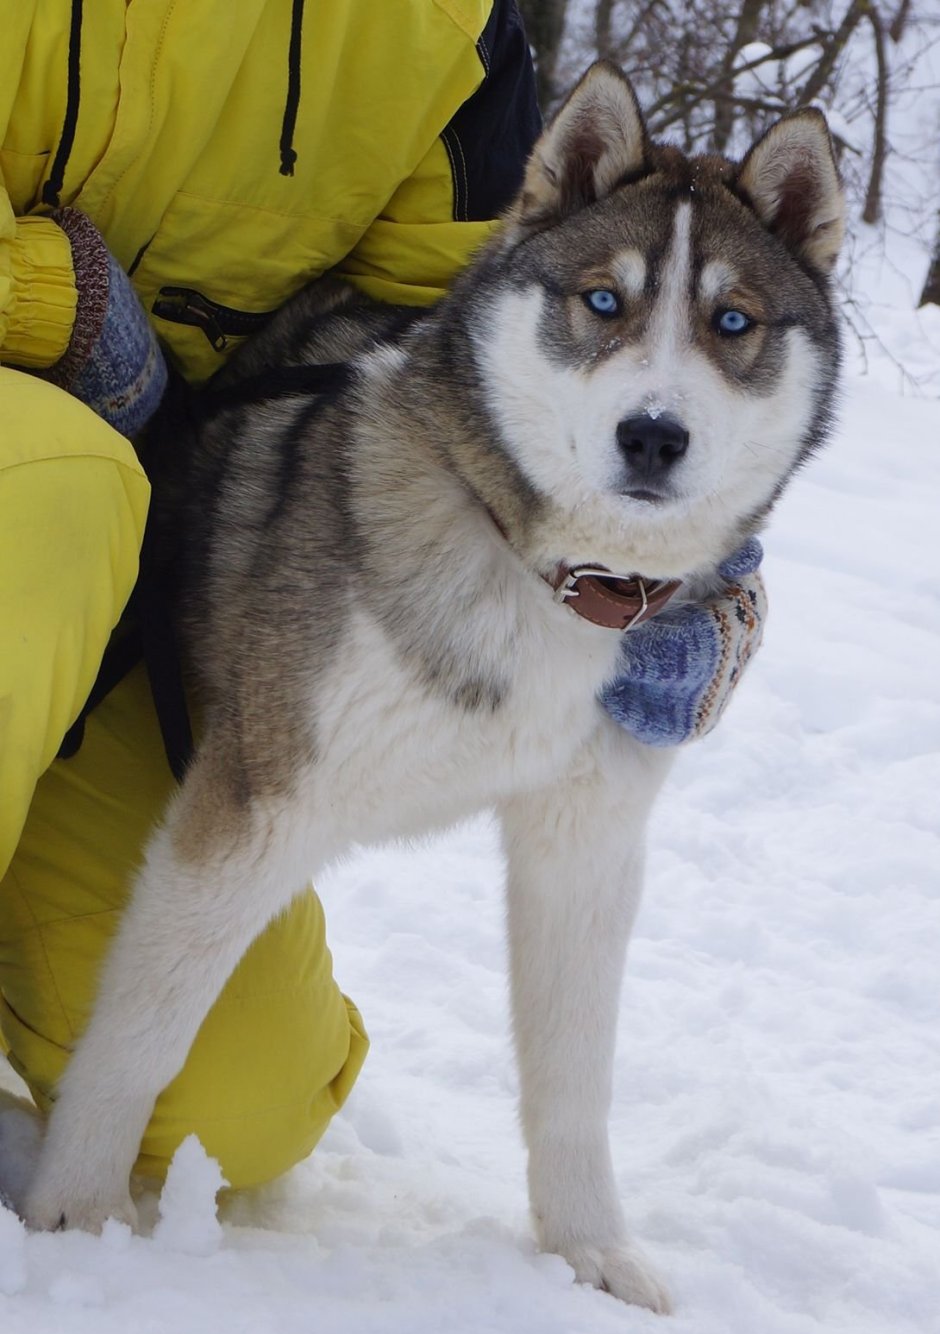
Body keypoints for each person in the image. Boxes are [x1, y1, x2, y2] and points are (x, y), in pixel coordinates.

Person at [0, 2, 764, 1199]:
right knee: (53, 479)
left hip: (181, 552)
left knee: (238, 1114)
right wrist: (53, 308)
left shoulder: (441, 23)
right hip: (34, 462)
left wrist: (663, 547)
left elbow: (465, 311)